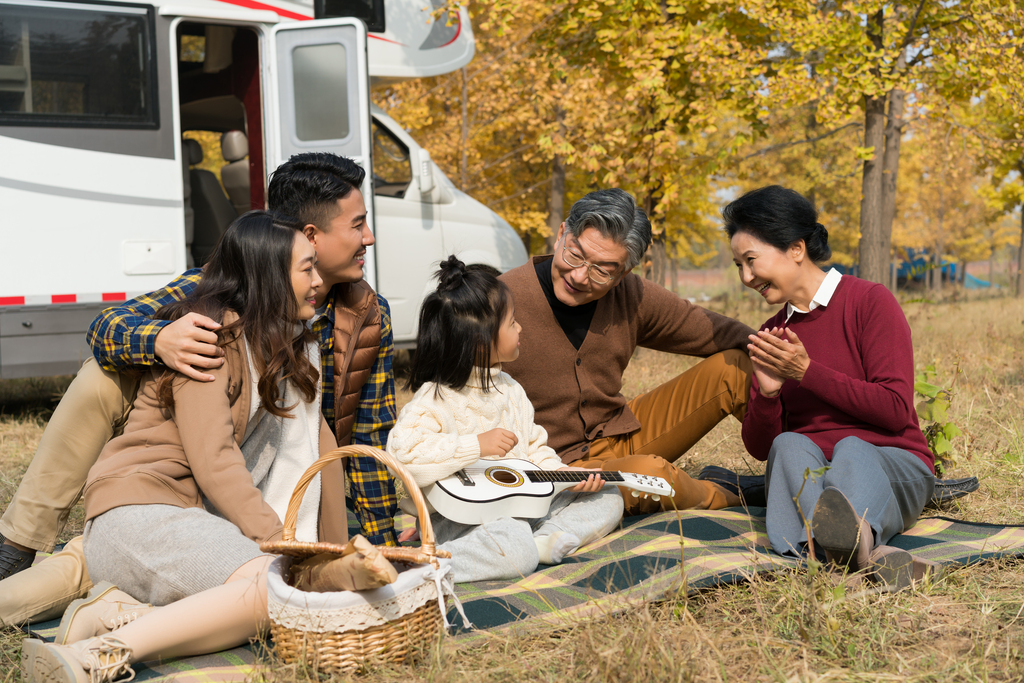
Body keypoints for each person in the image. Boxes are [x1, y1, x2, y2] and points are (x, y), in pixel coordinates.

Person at [0, 152, 398, 625]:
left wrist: (384, 543)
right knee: (101, 374)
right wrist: (161, 339)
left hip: (265, 457)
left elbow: (367, 432)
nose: (368, 238)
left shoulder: (365, 316)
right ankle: (20, 543)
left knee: (122, 553)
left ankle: (104, 572)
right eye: (358, 224)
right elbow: (107, 325)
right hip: (183, 453)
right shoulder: (222, 293)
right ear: (310, 236)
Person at [726, 185, 936, 587]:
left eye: (751, 261)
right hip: (818, 479)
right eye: (738, 265)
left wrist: (807, 372)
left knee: (852, 449)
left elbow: (893, 410)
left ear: (795, 248)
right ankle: (863, 554)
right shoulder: (773, 334)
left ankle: (833, 550)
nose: (746, 277)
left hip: (890, 464)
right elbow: (758, 448)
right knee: (786, 446)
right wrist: (768, 396)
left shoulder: (869, 301)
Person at [499, 189, 755, 516]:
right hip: (557, 471)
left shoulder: (630, 295)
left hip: (620, 434)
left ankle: (805, 474)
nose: (579, 276)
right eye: (574, 255)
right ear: (562, 234)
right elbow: (445, 406)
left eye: (602, 270)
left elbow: (711, 329)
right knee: (654, 476)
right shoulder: (497, 302)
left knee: (737, 367)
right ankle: (734, 493)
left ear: (624, 273)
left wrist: (784, 358)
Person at [387, 257, 623, 582]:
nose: (520, 328)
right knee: (513, 547)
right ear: (481, 339)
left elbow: (535, 449)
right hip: (463, 518)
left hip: (525, 506)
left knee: (608, 496)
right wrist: (475, 446)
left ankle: (544, 540)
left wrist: (564, 475)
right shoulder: (435, 397)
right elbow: (403, 455)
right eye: (512, 323)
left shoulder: (511, 389)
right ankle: (425, 565)